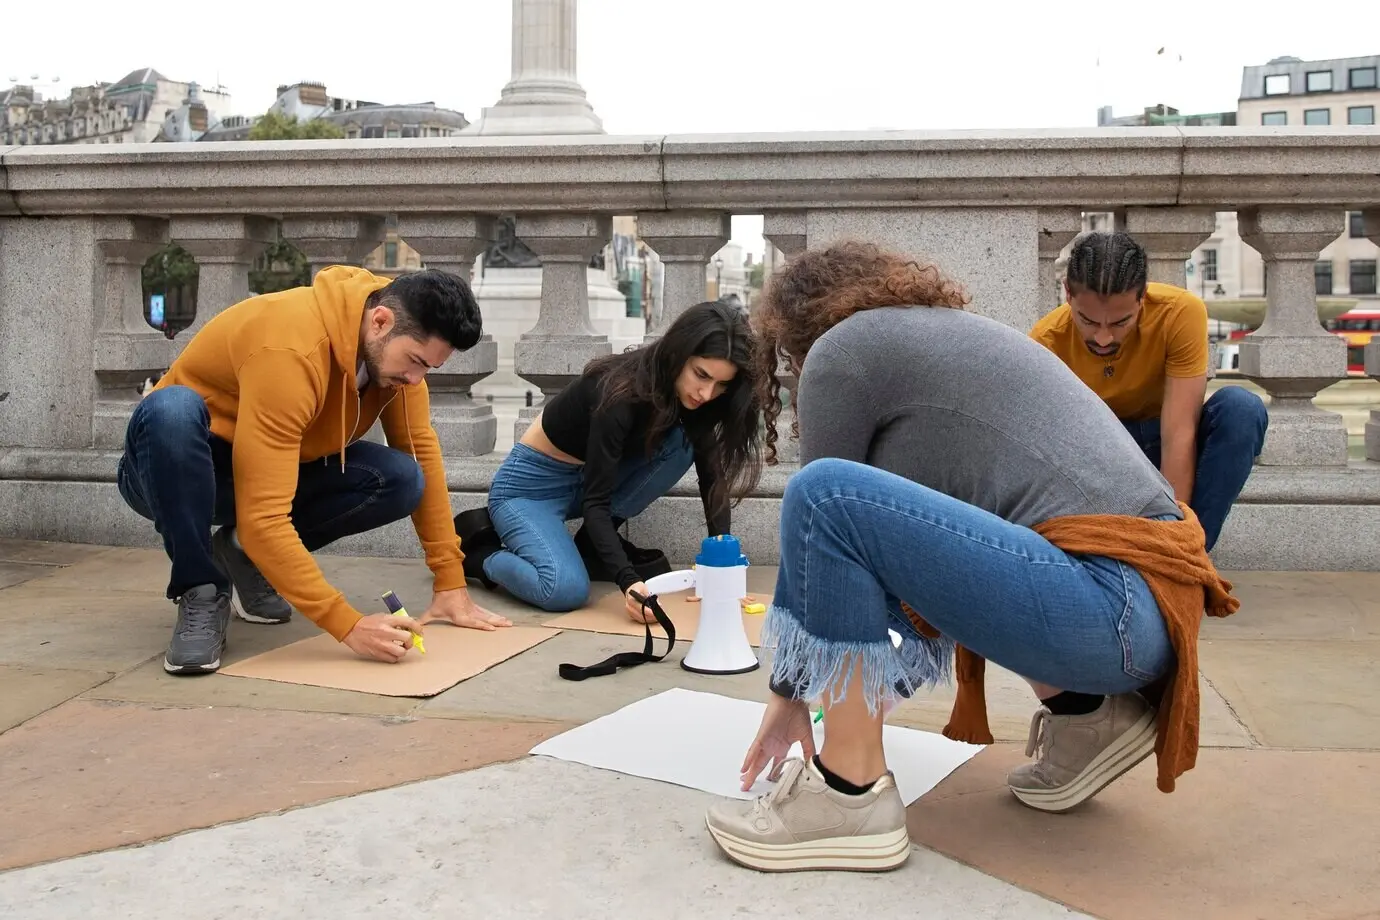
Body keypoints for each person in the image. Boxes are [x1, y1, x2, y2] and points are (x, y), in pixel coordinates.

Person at [701, 241, 1237, 873]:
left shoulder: (842, 352)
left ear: (794, 331)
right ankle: (1088, 717)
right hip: (1147, 617)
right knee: (922, 523)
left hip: (1109, 606)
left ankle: (849, 794)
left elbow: (820, 531)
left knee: (822, 495)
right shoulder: (945, 341)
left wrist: (788, 693)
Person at [118, 267, 511, 676]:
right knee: (171, 410)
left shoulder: (396, 358)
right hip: (169, 473)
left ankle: (242, 551)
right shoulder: (290, 350)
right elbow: (264, 518)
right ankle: (199, 588)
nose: (416, 379)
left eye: (428, 368)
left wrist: (450, 580)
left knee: (402, 478)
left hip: (269, 467)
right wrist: (349, 625)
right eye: (415, 361)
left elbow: (421, 454)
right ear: (380, 322)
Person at [454, 300, 765, 622]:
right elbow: (597, 501)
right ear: (678, 354)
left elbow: (712, 477)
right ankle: (479, 555)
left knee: (683, 444)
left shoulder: (693, 402)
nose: (706, 392)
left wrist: (722, 567)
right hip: (530, 490)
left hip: (586, 480)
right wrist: (628, 582)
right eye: (701, 375)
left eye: (721, 385)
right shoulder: (619, 391)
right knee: (564, 590)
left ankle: (592, 543)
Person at [1030, 230, 1269, 552]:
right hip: (1105, 456)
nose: (1103, 339)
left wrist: (1171, 541)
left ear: (1142, 299)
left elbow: (1180, 433)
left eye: (1119, 323)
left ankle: (1187, 556)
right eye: (1088, 321)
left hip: (1165, 439)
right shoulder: (1044, 341)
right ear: (1068, 294)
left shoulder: (1179, 312)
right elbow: (1061, 455)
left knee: (1242, 408)